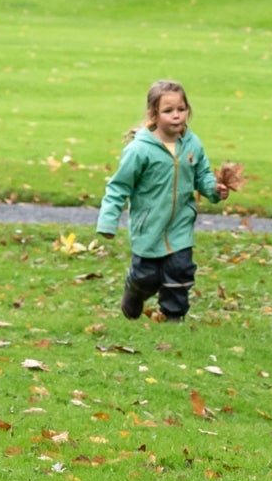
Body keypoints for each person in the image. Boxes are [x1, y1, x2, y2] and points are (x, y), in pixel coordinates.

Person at [96, 81, 244, 321]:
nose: (176, 115)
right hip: (149, 225)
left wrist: (214, 189)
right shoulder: (139, 150)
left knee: (181, 271)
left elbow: (202, 175)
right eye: (168, 111)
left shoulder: (192, 144)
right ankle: (133, 292)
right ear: (153, 114)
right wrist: (108, 222)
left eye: (181, 109)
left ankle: (173, 318)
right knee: (147, 276)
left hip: (180, 224)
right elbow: (118, 186)